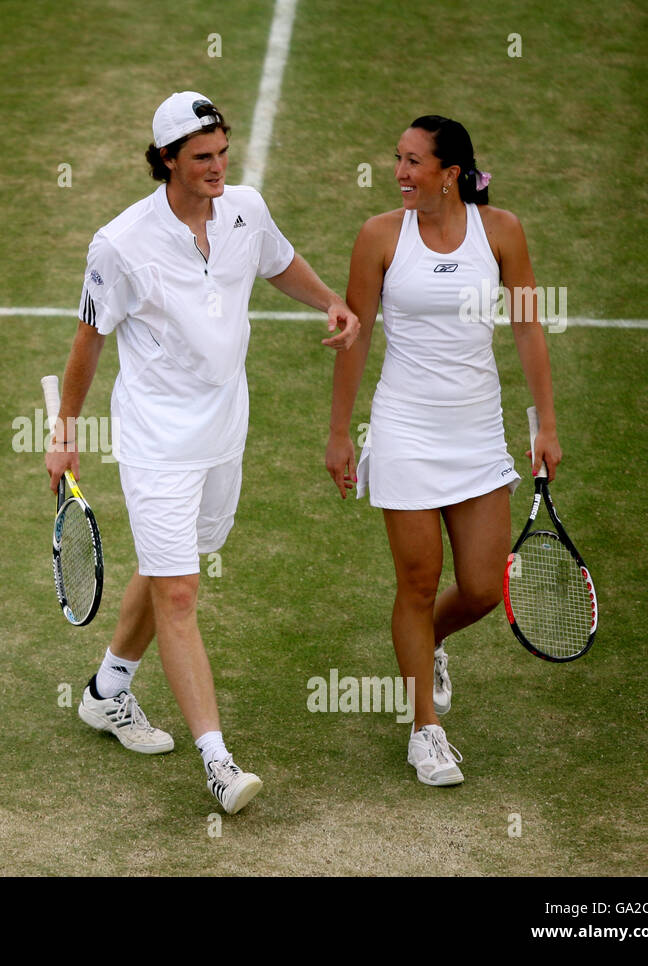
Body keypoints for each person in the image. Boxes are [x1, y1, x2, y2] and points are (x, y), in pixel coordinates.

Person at [46, 91, 359, 814]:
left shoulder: (245, 207)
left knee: (172, 571)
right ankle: (218, 764)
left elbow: (277, 262)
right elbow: (89, 340)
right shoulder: (119, 244)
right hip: (156, 441)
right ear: (166, 161)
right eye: (202, 158)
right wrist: (65, 427)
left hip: (224, 433)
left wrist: (328, 302)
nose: (217, 168)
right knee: (180, 590)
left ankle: (106, 692)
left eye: (222, 153)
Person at [325, 115, 562, 786]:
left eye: (412, 162)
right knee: (418, 582)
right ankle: (425, 730)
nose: (399, 172)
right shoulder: (378, 237)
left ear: (450, 174)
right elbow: (356, 337)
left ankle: (430, 645)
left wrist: (545, 425)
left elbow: (526, 326)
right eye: (396, 159)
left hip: (478, 432)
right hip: (404, 429)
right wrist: (341, 434)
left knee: (485, 587)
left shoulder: (502, 232)